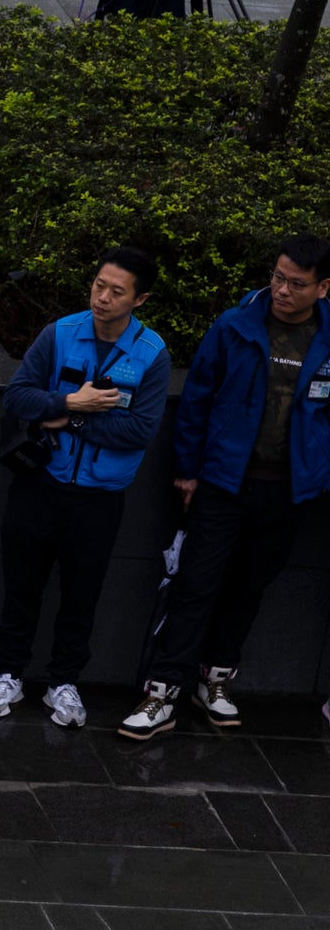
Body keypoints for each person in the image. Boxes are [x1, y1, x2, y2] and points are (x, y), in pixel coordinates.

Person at [125, 235, 330, 739]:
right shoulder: (235, 325)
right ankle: (162, 693)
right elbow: (196, 399)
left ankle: (214, 682)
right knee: (196, 586)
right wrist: (188, 470)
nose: (282, 290)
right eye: (278, 277)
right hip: (223, 484)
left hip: (288, 492)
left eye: (296, 284)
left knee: (249, 589)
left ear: (323, 288)